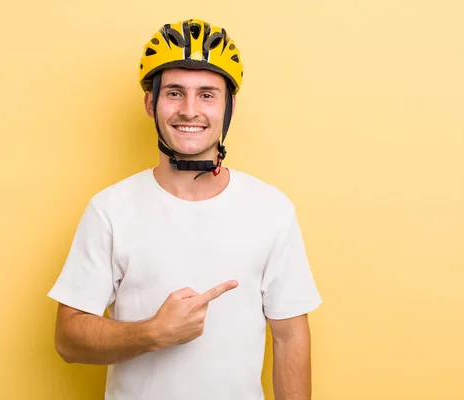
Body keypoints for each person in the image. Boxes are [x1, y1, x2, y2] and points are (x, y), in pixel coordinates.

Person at [48, 18, 322, 400]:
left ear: (229, 107)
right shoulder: (109, 209)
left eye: (207, 94)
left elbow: (290, 338)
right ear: (150, 102)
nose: (190, 110)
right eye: (174, 93)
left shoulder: (271, 209)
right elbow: (68, 339)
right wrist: (153, 333)